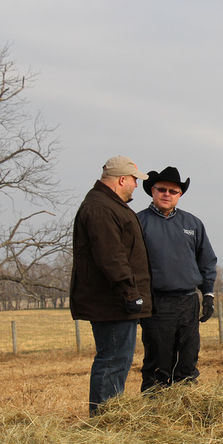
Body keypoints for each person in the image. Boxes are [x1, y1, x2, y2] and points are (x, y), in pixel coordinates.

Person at [70, 155, 153, 417]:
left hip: (114, 300)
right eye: (134, 181)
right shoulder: (101, 208)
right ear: (121, 179)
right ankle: (105, 420)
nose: (136, 187)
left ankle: (110, 416)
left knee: (118, 359)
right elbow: (111, 257)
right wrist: (130, 293)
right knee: (113, 360)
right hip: (113, 302)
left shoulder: (108, 205)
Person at [136, 166, 217, 392]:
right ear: (152, 191)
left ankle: (185, 406)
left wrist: (208, 294)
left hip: (188, 301)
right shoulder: (138, 222)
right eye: (162, 189)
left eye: (173, 191)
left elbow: (207, 260)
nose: (167, 194)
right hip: (157, 303)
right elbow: (130, 265)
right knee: (158, 361)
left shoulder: (192, 224)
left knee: (188, 359)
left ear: (180, 195)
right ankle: (155, 409)